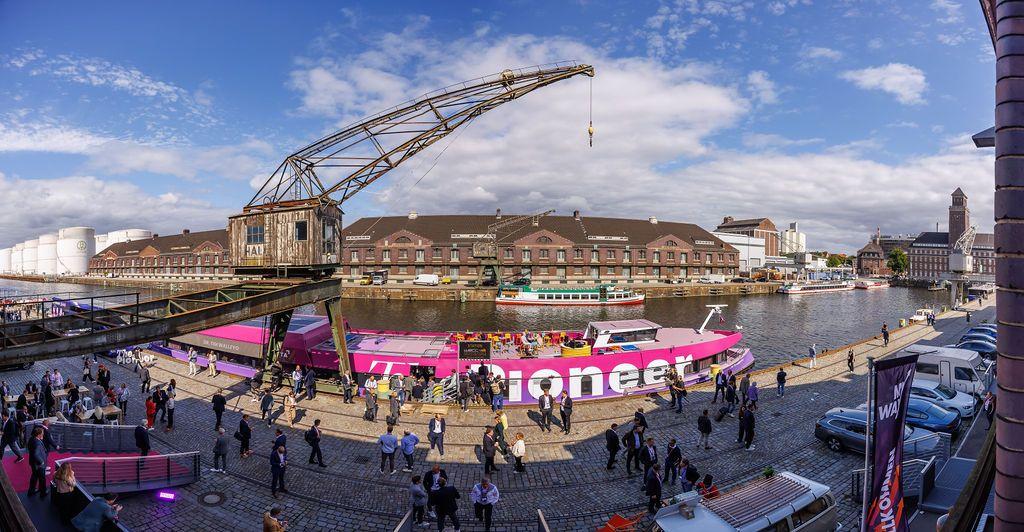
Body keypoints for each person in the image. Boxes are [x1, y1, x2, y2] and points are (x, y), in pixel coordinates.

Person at [27, 426, 47, 496]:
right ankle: (43, 492)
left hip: (33, 463)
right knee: (42, 479)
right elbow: (36, 454)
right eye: (42, 433)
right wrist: (41, 461)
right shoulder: (38, 443)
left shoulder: (31, 439)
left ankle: (31, 490)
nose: (43, 434)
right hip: (38, 465)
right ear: (38, 435)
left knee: (34, 477)